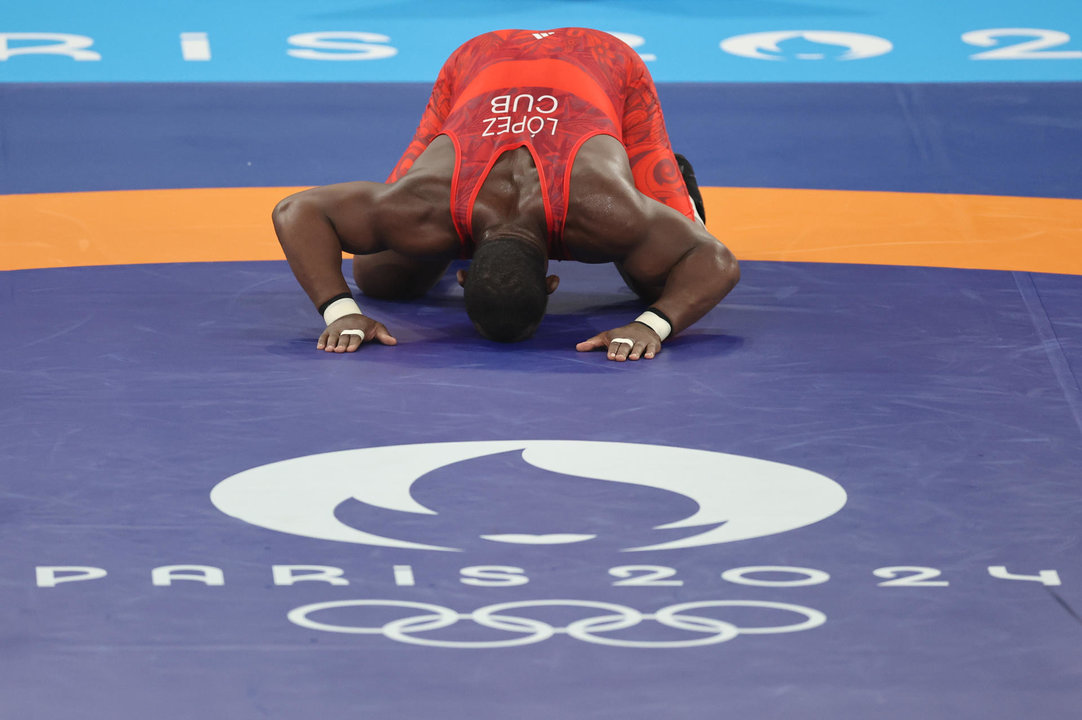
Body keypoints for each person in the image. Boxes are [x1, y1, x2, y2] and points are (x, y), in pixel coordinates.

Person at [272, 27, 739, 362]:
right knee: (380, 279)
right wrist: (340, 311)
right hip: (479, 62)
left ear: (463, 276)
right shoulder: (425, 205)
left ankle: (665, 182)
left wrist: (649, 323)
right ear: (553, 283)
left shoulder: (604, 208)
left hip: (600, 62)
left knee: (655, 288)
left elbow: (714, 260)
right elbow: (296, 212)